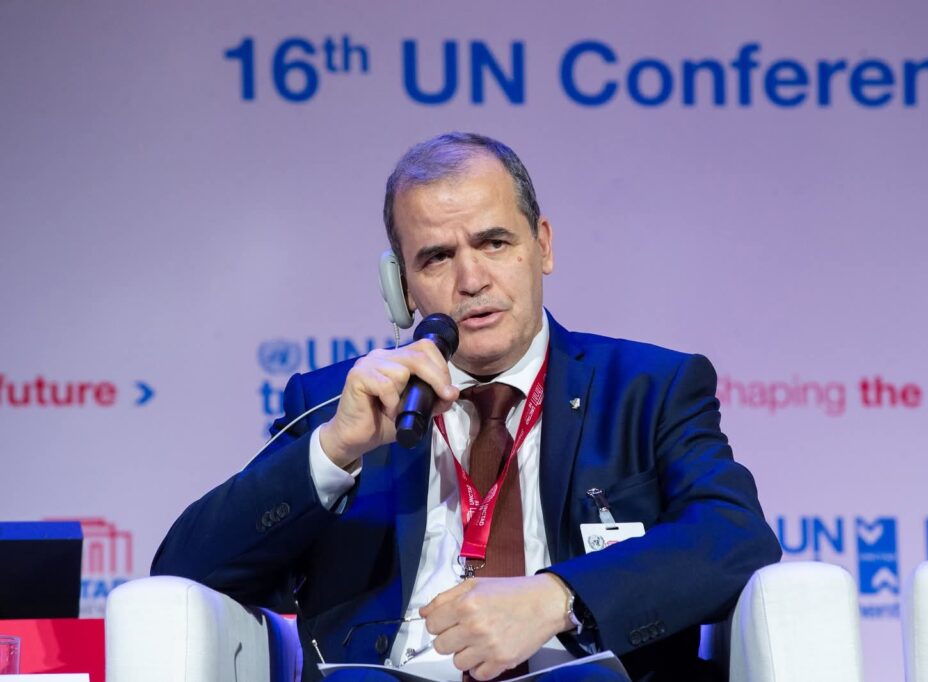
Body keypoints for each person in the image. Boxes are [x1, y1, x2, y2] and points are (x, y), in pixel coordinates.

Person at [152, 132, 781, 682]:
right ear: (400, 286)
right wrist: (335, 450)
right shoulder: (338, 404)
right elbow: (185, 571)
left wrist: (558, 597)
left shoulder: (647, 388)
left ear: (542, 246)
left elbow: (735, 536)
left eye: (494, 242)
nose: (472, 279)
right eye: (437, 257)